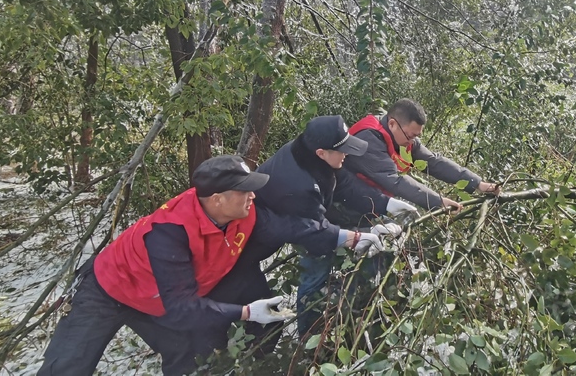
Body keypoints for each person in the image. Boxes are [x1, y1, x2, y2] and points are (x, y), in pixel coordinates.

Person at [37, 155, 357, 375]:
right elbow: (181, 308)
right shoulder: (170, 232)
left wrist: (351, 238)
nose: (253, 196)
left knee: (188, 359)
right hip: (108, 291)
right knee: (68, 366)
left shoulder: (244, 212)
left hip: (157, 299)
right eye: (243, 190)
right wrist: (245, 312)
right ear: (217, 198)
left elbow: (292, 227)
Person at [253, 115, 413, 339]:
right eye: (343, 150)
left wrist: (387, 204)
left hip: (299, 218)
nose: (347, 154)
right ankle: (307, 340)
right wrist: (360, 236)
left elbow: (346, 185)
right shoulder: (299, 185)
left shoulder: (312, 152)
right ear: (322, 153)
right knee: (313, 273)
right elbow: (314, 232)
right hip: (256, 239)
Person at [341, 98, 499, 219]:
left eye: (416, 137)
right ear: (392, 124)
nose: (412, 142)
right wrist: (438, 202)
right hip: (344, 211)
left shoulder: (403, 137)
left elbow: (432, 162)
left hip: (372, 208)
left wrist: (478, 183)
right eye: (410, 136)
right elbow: (395, 180)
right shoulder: (368, 139)